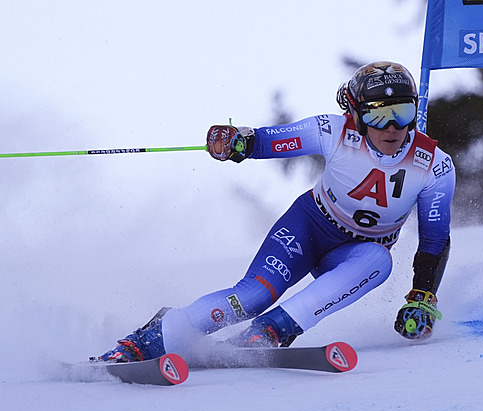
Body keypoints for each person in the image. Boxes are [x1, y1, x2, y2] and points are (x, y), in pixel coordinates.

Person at [97, 61, 455, 363]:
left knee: (379, 261)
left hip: (353, 254)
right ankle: (150, 339)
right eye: (378, 115)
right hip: (309, 227)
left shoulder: (435, 166)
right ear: (357, 115)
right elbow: (273, 139)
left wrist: (422, 298)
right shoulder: (332, 131)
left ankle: (270, 331)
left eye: (402, 112)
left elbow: (435, 239)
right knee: (253, 296)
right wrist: (239, 142)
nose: (392, 128)